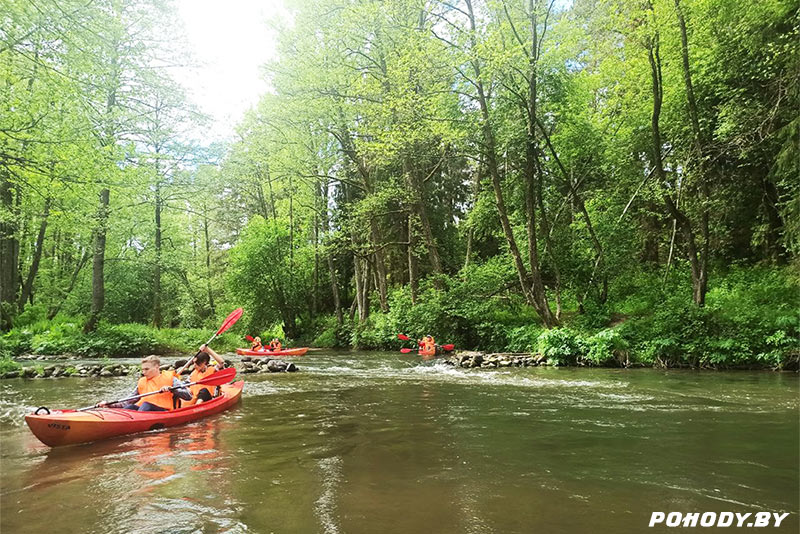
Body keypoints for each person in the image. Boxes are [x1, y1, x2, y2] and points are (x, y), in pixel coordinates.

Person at [100, 355, 191, 412]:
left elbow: (188, 396)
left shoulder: (171, 379)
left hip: (164, 411)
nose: (143, 372)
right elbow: (128, 400)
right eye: (142, 369)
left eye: (146, 369)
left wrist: (173, 390)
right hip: (145, 411)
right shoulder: (142, 381)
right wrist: (110, 404)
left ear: (156, 367)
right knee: (131, 406)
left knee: (146, 405)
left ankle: (135, 423)